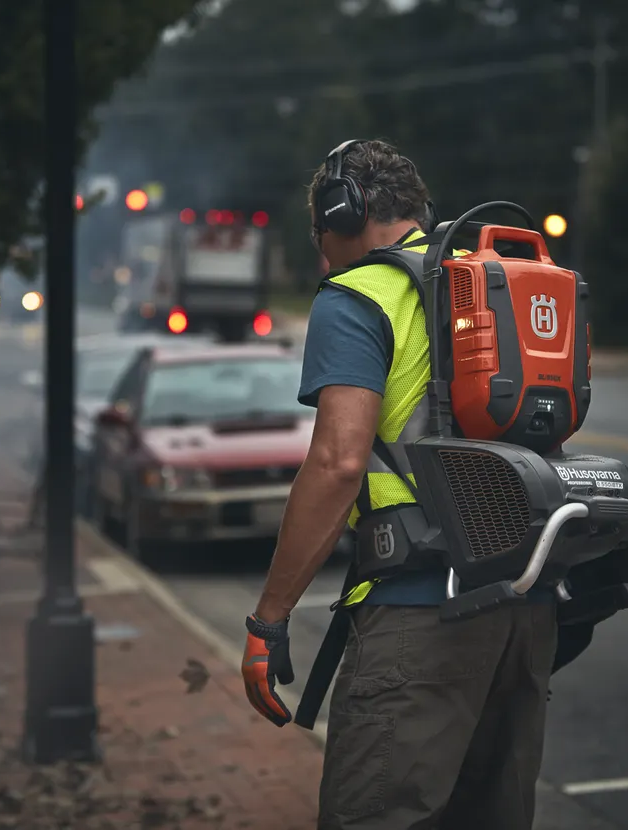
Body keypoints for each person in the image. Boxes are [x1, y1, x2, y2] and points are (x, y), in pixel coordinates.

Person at [241, 139, 558, 830]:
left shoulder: (357, 296)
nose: (322, 253)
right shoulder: (492, 285)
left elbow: (337, 464)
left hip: (420, 616)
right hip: (523, 612)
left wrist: (269, 618)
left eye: (320, 234)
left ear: (340, 214)